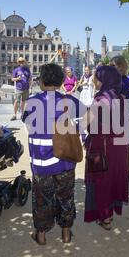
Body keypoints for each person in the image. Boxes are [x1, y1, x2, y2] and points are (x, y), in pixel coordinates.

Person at [22, 63, 81, 246]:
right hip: (64, 161)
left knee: (42, 199)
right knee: (66, 196)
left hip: (41, 163)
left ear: (42, 81)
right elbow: (91, 117)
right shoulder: (68, 101)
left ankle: (41, 235)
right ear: (61, 81)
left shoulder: (33, 102)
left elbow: (27, 124)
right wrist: (73, 129)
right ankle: (65, 233)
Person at [84, 65, 129, 230]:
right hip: (120, 147)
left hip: (102, 147)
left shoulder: (100, 99)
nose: (94, 80)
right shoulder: (123, 98)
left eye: (96, 77)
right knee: (114, 180)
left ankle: (105, 218)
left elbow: (85, 122)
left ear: (104, 80)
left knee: (101, 182)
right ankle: (109, 213)